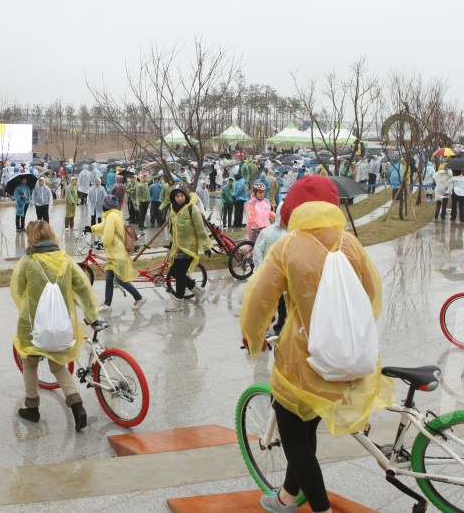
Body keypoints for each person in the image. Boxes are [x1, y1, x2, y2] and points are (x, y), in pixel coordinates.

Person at [240, 176, 393, 513]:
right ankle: (286, 497)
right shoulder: (349, 243)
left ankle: (320, 509)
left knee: (293, 437)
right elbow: (370, 294)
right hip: (344, 356)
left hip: (302, 358)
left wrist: (252, 337)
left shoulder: (287, 246)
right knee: (306, 425)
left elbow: (259, 302)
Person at [12, 220, 99, 430]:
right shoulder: (65, 259)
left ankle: (32, 408)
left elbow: (18, 288)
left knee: (30, 363)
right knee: (59, 365)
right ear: (51, 235)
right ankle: (77, 405)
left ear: (31, 236)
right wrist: (91, 316)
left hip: (32, 324)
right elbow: (84, 288)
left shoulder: (28, 261)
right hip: (62, 323)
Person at [89, 195, 145, 312]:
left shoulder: (111, 216)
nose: (102, 206)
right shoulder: (114, 215)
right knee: (109, 278)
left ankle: (139, 297)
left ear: (106, 206)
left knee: (120, 280)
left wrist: (102, 244)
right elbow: (104, 226)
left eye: (104, 204)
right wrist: (91, 229)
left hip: (117, 253)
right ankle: (107, 303)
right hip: (114, 253)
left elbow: (108, 235)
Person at [164, 187, 211, 312]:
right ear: (173, 197)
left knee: (179, 274)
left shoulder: (192, 208)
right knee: (174, 272)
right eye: (177, 196)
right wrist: (170, 243)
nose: (179, 198)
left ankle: (178, 303)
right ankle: (197, 290)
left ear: (186, 196)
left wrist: (206, 246)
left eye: (182, 196)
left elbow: (200, 228)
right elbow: (171, 228)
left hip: (189, 246)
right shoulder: (172, 208)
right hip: (177, 246)